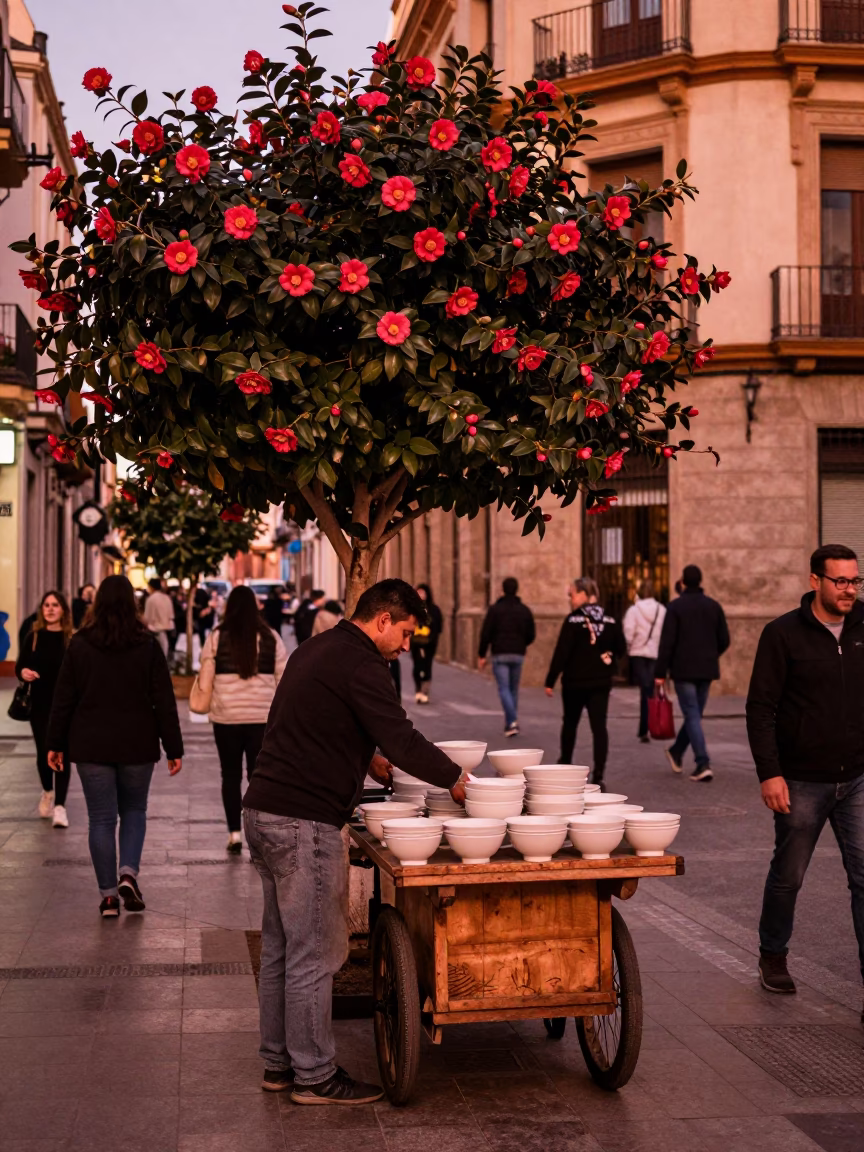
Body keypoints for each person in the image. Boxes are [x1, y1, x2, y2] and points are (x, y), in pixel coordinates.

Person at [243, 578, 464, 1103]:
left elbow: (309, 719)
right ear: (383, 620)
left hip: (264, 810)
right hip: (303, 822)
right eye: (406, 634)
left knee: (281, 949)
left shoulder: (317, 648)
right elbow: (402, 735)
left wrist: (366, 759)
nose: (408, 645)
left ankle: (278, 1065)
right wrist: (457, 778)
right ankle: (315, 1076)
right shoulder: (365, 664)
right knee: (315, 954)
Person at [747, 544, 864, 998]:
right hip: (800, 780)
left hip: (857, 777)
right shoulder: (783, 634)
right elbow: (761, 708)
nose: (849, 590)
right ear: (815, 581)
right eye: (840, 581)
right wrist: (769, 773)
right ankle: (773, 955)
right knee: (789, 874)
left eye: (855, 581)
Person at [46, 575, 183, 918]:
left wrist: (55, 743)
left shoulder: (79, 644)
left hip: (91, 744)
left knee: (101, 819)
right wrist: (174, 748)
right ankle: (128, 874)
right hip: (137, 741)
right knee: (134, 810)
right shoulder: (147, 644)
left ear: (97, 604)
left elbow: (63, 699)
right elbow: (163, 700)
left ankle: (108, 896)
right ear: (132, 604)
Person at [198, 587, 288, 853]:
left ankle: (234, 834)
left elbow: (205, 675)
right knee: (257, 777)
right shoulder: (270, 637)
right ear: (255, 607)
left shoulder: (216, 637)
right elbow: (284, 679)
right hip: (261, 719)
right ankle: (257, 836)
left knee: (230, 775)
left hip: (226, 718)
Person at [545, 577, 625, 787]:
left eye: (572, 595)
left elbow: (562, 652)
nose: (570, 599)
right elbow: (622, 647)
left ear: (582, 594)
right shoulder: (610, 619)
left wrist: (550, 680)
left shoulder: (572, 620)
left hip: (574, 683)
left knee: (570, 724)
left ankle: (565, 766)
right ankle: (599, 774)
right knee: (599, 727)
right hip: (600, 682)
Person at [654, 564, 730, 783]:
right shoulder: (713, 606)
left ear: (683, 583)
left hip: (683, 670)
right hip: (706, 670)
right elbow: (724, 639)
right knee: (694, 714)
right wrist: (711, 655)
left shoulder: (675, 607)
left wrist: (660, 672)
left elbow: (667, 642)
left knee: (692, 714)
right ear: (701, 581)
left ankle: (702, 762)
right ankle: (677, 751)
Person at [15, 591, 74, 828]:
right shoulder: (34, 636)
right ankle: (48, 791)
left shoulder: (72, 638)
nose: (50, 609)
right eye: (46, 605)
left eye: (55, 605)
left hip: (65, 705)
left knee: (63, 753)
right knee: (43, 752)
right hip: (39, 704)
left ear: (63, 610)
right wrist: (23, 673)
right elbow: (20, 665)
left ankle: (60, 807)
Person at [478, 577, 536, 736]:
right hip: (518, 653)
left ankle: (511, 721)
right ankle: (510, 722)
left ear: (503, 589)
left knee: (504, 689)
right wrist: (522, 643)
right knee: (513, 689)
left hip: (500, 653)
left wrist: (482, 654)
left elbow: (486, 633)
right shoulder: (524, 610)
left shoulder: (495, 609)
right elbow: (531, 633)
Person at [623, 580, 666, 743]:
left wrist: (628, 649)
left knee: (645, 691)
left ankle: (644, 729)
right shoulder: (662, 610)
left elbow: (628, 632)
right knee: (650, 691)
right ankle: (648, 727)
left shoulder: (633, 611)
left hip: (638, 653)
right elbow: (664, 634)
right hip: (654, 653)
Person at [410, 583, 443, 704]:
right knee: (417, 666)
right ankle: (418, 690)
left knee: (427, 666)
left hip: (429, 643)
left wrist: (431, 638)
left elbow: (438, 627)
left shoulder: (434, 609)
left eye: (423, 592)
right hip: (416, 642)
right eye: (418, 592)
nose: (421, 595)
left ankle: (425, 692)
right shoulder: (412, 609)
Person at [142, 577, 175, 658]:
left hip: (154, 632)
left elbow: (147, 618)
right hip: (167, 632)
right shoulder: (167, 598)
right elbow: (171, 615)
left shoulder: (150, 599)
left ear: (151, 587)